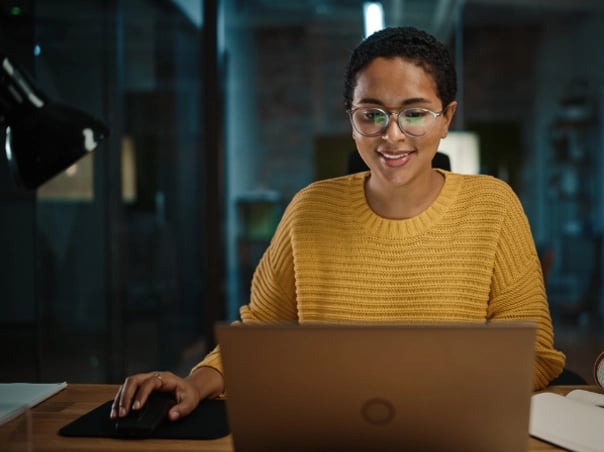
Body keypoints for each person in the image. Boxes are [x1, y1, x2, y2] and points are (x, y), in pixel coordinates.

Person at [111, 26, 566, 423]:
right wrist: (197, 382)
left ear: (446, 118)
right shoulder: (309, 209)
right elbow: (261, 335)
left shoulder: (493, 206)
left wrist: (441, 398)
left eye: (414, 113)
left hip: (456, 428)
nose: (391, 135)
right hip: (331, 431)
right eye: (371, 114)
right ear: (350, 118)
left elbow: (534, 352)